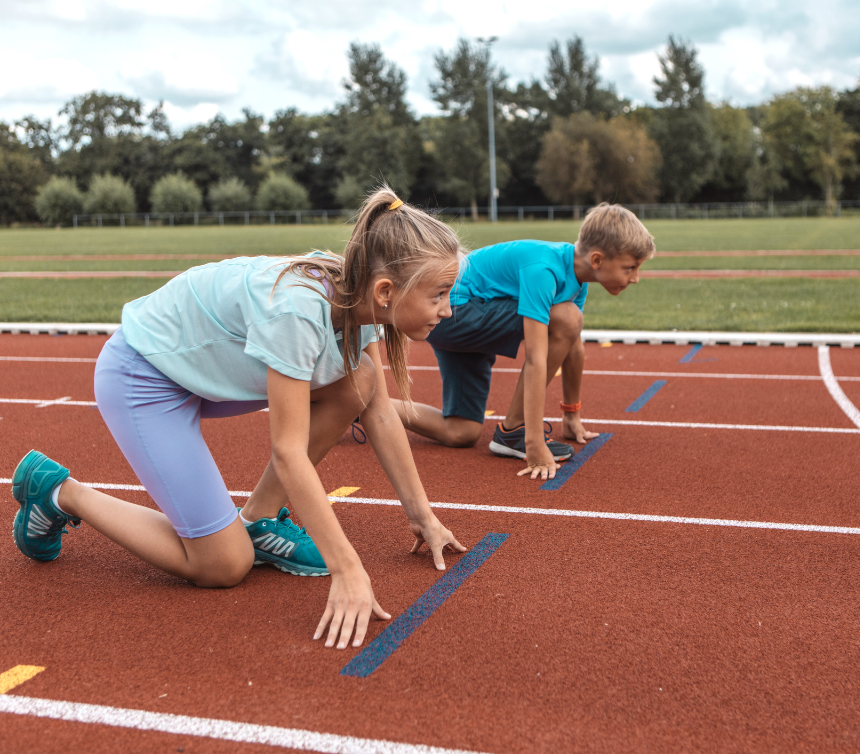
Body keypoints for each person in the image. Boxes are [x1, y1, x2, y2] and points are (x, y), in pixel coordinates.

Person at [10, 189, 466, 651]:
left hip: (203, 377)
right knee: (222, 567)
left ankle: (259, 520)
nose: (448, 309)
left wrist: (422, 517)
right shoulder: (298, 311)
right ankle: (58, 491)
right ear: (386, 291)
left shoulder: (362, 297)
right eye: (439, 294)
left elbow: (380, 413)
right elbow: (288, 451)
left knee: (359, 381)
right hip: (143, 379)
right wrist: (348, 568)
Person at [393, 203, 656, 481]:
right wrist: (534, 444)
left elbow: (573, 348)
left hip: (466, 323)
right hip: (452, 313)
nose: (636, 278)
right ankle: (513, 431)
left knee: (461, 432)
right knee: (567, 317)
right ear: (598, 260)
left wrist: (571, 416)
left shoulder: (578, 280)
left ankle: (365, 406)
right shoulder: (544, 269)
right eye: (630, 268)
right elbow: (536, 358)